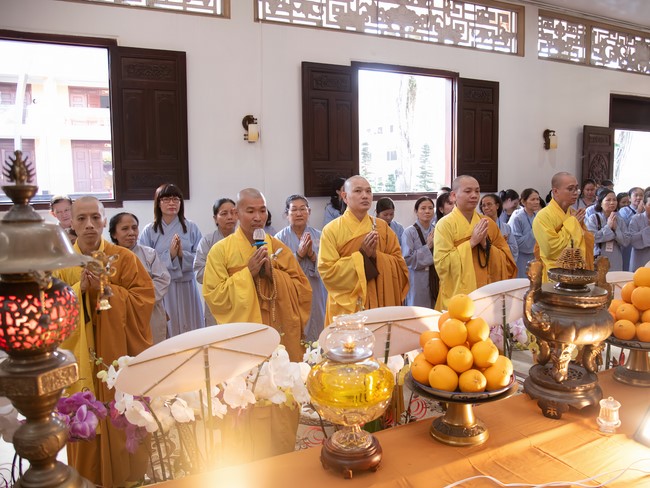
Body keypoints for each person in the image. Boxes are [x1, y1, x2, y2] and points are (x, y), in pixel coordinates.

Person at [56, 196, 155, 488]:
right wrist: (78, 290)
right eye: (81, 219)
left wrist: (107, 290)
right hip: (80, 362)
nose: (89, 225)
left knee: (122, 418)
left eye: (95, 218)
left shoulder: (124, 258)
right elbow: (49, 311)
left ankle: (129, 479)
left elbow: (144, 300)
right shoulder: (62, 264)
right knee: (84, 422)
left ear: (103, 221)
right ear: (72, 224)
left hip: (118, 356)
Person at [203, 188, 312, 361]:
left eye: (262, 210)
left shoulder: (277, 246)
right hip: (244, 332)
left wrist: (272, 274)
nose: (258, 217)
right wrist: (248, 274)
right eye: (250, 211)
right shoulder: (220, 251)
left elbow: (302, 289)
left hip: (277, 328)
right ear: (237, 214)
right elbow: (215, 296)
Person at [318, 175, 409, 324]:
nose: (365, 195)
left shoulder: (383, 228)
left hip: (379, 301)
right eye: (358, 191)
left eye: (368, 191)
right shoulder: (331, 230)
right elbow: (328, 272)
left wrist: (376, 257)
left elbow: (399, 264)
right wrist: (362, 257)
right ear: (345, 197)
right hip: (347, 308)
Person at [433, 176, 517, 310]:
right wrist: (471, 243)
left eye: (477, 191)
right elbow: (442, 265)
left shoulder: (488, 223)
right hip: (458, 297)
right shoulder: (444, 225)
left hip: (487, 292)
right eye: (468, 191)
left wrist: (485, 245)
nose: (474, 195)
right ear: (454, 195)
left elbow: (506, 261)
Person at [139, 183, 204, 336]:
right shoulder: (150, 230)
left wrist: (181, 255)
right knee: (167, 329)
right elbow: (144, 261)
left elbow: (201, 257)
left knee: (191, 328)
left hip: (187, 286)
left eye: (176, 199)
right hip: (164, 288)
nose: (172, 203)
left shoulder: (191, 227)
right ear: (158, 203)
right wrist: (170, 255)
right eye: (166, 199)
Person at [109, 212, 171, 343]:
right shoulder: (107, 258)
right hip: (120, 314)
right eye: (125, 229)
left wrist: (140, 300)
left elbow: (163, 280)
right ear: (114, 234)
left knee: (152, 351)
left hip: (149, 313)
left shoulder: (149, 254)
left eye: (134, 228)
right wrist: (125, 300)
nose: (131, 233)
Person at [275, 194, 327, 341]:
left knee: (319, 329)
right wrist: (298, 255)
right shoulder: (279, 239)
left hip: (316, 291)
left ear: (309, 212)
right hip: (292, 293)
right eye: (294, 210)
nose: (299, 213)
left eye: (303, 209)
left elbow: (328, 266)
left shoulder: (321, 236)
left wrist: (312, 256)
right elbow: (277, 269)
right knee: (295, 332)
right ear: (287, 214)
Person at [532, 172, 595, 281]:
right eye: (570, 189)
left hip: (576, 273)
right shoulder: (543, 217)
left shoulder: (573, 213)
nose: (575, 193)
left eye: (576, 189)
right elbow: (551, 250)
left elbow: (584, 243)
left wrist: (582, 232)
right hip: (554, 276)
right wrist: (572, 224)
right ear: (555, 191)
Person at [194, 198, 238, 326]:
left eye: (233, 212)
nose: (230, 217)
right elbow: (199, 273)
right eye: (224, 213)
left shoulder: (246, 239)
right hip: (216, 300)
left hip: (240, 297)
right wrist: (225, 274)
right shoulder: (207, 241)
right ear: (215, 218)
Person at [401, 197, 438, 308]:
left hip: (435, 277)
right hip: (417, 279)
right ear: (416, 211)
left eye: (430, 208)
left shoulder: (437, 229)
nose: (427, 211)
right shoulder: (409, 232)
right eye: (423, 208)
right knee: (417, 309)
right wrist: (428, 246)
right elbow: (407, 259)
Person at [586, 189, 629, 271]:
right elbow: (591, 238)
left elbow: (626, 241)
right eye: (608, 200)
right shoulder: (593, 218)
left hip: (616, 259)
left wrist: (616, 228)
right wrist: (608, 227)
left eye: (614, 200)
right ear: (600, 203)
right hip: (598, 257)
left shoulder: (620, 220)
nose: (612, 203)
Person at [480, 193, 519, 264]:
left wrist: (502, 245)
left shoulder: (506, 227)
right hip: (485, 264)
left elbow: (514, 248)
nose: (486, 208)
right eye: (483, 205)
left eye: (489, 204)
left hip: (503, 263)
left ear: (497, 206)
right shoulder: (480, 226)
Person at [510, 188, 540, 278]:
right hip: (521, 257)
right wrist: (535, 231)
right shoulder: (517, 217)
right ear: (523, 201)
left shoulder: (538, 216)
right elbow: (516, 242)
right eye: (533, 199)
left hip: (535, 256)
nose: (536, 202)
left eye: (537, 199)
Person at [619, 187, 645, 271]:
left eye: (641, 195)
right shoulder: (624, 210)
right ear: (629, 198)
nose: (638, 198)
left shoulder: (646, 211)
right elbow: (626, 226)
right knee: (628, 267)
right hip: (628, 246)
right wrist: (638, 212)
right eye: (636, 195)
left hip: (642, 244)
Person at [628, 192, 650, 272]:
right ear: (644, 205)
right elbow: (632, 240)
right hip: (640, 257)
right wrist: (647, 230)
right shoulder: (636, 219)